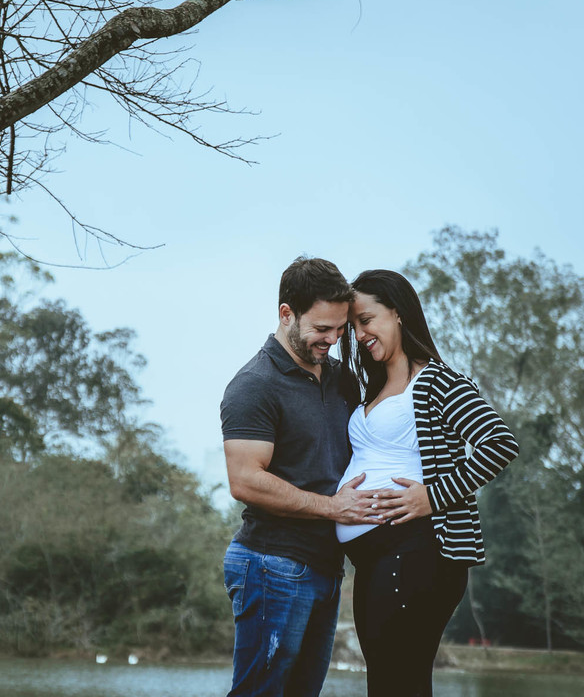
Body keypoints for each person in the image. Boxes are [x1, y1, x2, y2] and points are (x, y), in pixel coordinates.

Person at [336, 269, 519, 696]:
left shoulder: (435, 380)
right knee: (391, 683)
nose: (359, 333)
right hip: (377, 558)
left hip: (418, 550)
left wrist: (431, 497)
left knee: (399, 683)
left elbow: (499, 443)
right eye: (354, 326)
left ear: (397, 313)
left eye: (367, 319)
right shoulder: (375, 388)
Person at [221, 256, 385, 697]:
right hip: (271, 564)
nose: (331, 340)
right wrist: (333, 507)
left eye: (339, 330)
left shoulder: (341, 380)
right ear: (286, 314)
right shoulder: (254, 384)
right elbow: (245, 480)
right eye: (321, 329)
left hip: (325, 569)